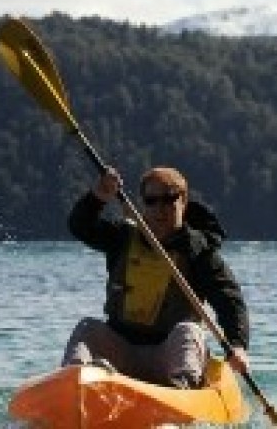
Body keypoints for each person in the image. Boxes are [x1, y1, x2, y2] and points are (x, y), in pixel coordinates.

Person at [62, 166, 250, 389]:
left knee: (188, 331)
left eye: (170, 199)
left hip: (169, 355)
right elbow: (80, 227)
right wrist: (97, 197)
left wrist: (237, 345)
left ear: (184, 202)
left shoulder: (199, 251)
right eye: (152, 201)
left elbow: (229, 299)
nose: (161, 209)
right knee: (87, 328)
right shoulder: (122, 238)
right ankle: (74, 385)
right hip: (122, 348)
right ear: (143, 204)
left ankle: (182, 390)